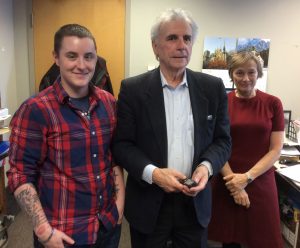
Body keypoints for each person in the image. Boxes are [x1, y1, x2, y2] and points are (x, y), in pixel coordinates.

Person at [112, 8, 231, 248]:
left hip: (194, 204)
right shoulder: (133, 90)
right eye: (172, 38)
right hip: (149, 202)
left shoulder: (212, 88)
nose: (181, 45)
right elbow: (122, 145)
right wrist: (154, 174)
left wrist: (206, 168)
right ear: (156, 46)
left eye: (187, 38)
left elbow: (223, 141)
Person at [7, 24, 125, 248]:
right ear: (56, 58)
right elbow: (20, 175)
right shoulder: (35, 110)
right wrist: (44, 231)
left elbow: (113, 157)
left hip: (107, 226)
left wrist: (119, 205)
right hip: (62, 234)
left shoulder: (108, 103)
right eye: (72, 56)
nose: (82, 65)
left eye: (89, 57)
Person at [208, 51, 284, 248]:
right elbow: (215, 144)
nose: (246, 78)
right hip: (227, 179)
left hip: (260, 178)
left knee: (262, 238)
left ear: (259, 73)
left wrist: (247, 177)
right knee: (230, 239)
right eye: (239, 73)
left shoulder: (273, 103)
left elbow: (276, 149)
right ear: (231, 74)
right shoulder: (221, 102)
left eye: (251, 72)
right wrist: (234, 183)